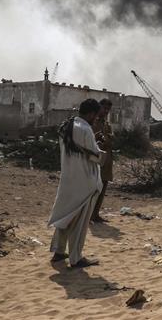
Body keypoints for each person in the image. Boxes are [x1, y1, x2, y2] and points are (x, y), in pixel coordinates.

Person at [48, 99, 105, 268]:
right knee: (80, 222)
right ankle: (76, 257)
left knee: (66, 215)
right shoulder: (85, 129)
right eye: (96, 115)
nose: (96, 119)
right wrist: (100, 151)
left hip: (68, 179)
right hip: (85, 181)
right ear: (91, 113)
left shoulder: (66, 125)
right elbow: (95, 155)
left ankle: (58, 251)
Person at [91, 98, 114, 223]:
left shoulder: (107, 124)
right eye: (104, 108)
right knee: (93, 188)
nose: (106, 111)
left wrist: (108, 139)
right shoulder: (92, 122)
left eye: (108, 109)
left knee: (103, 187)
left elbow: (111, 141)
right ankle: (89, 214)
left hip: (106, 159)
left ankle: (96, 214)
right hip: (95, 159)